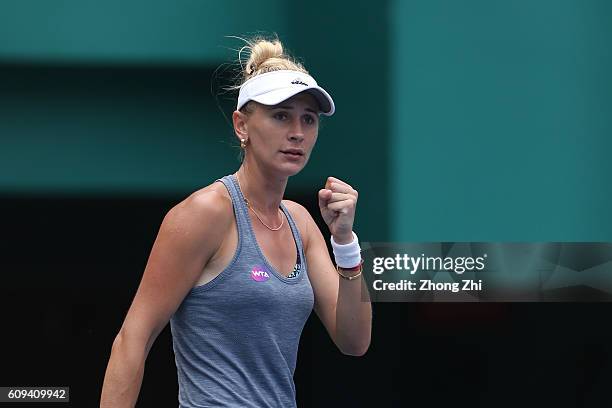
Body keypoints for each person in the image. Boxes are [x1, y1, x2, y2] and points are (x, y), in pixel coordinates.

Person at [100, 36, 372, 408]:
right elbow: (133, 338)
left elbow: (354, 341)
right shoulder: (205, 213)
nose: (297, 131)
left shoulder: (301, 223)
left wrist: (344, 241)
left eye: (308, 119)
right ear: (242, 125)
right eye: (281, 115)